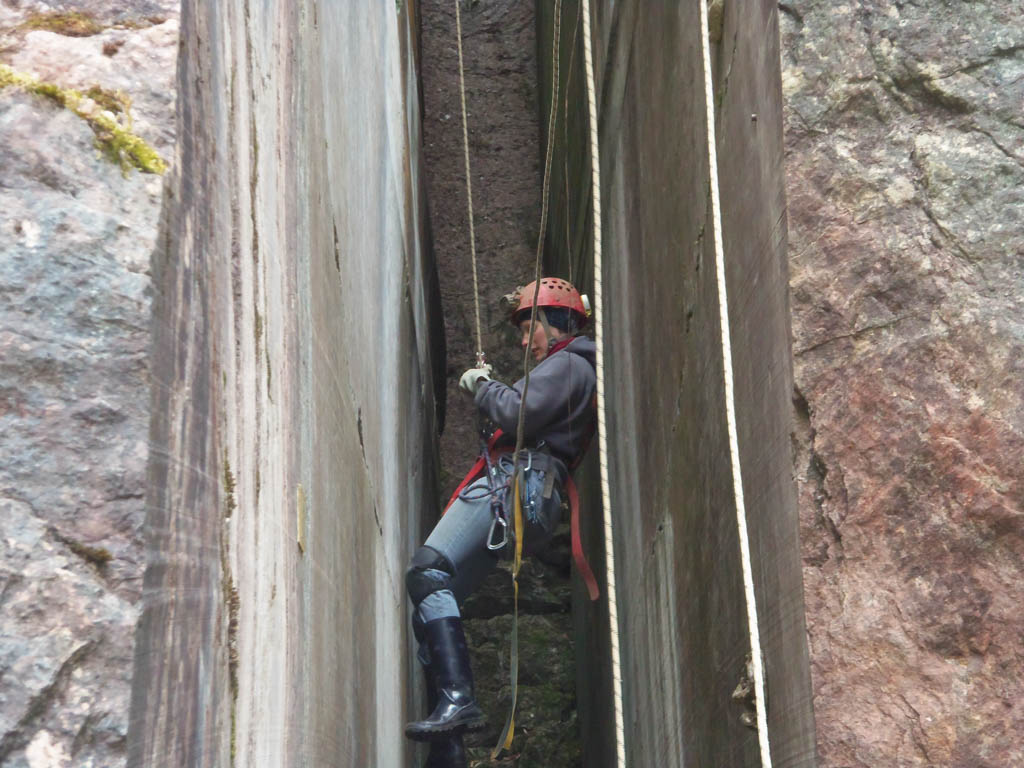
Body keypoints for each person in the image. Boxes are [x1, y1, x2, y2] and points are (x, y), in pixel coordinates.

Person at [404, 277, 597, 767]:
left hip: (515, 482)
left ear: (558, 323)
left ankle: (458, 699)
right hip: (524, 489)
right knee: (431, 602)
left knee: (427, 571)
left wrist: (483, 385)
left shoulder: (571, 363)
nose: (525, 341)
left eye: (530, 327)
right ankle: (448, 747)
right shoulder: (572, 368)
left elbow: (518, 411)